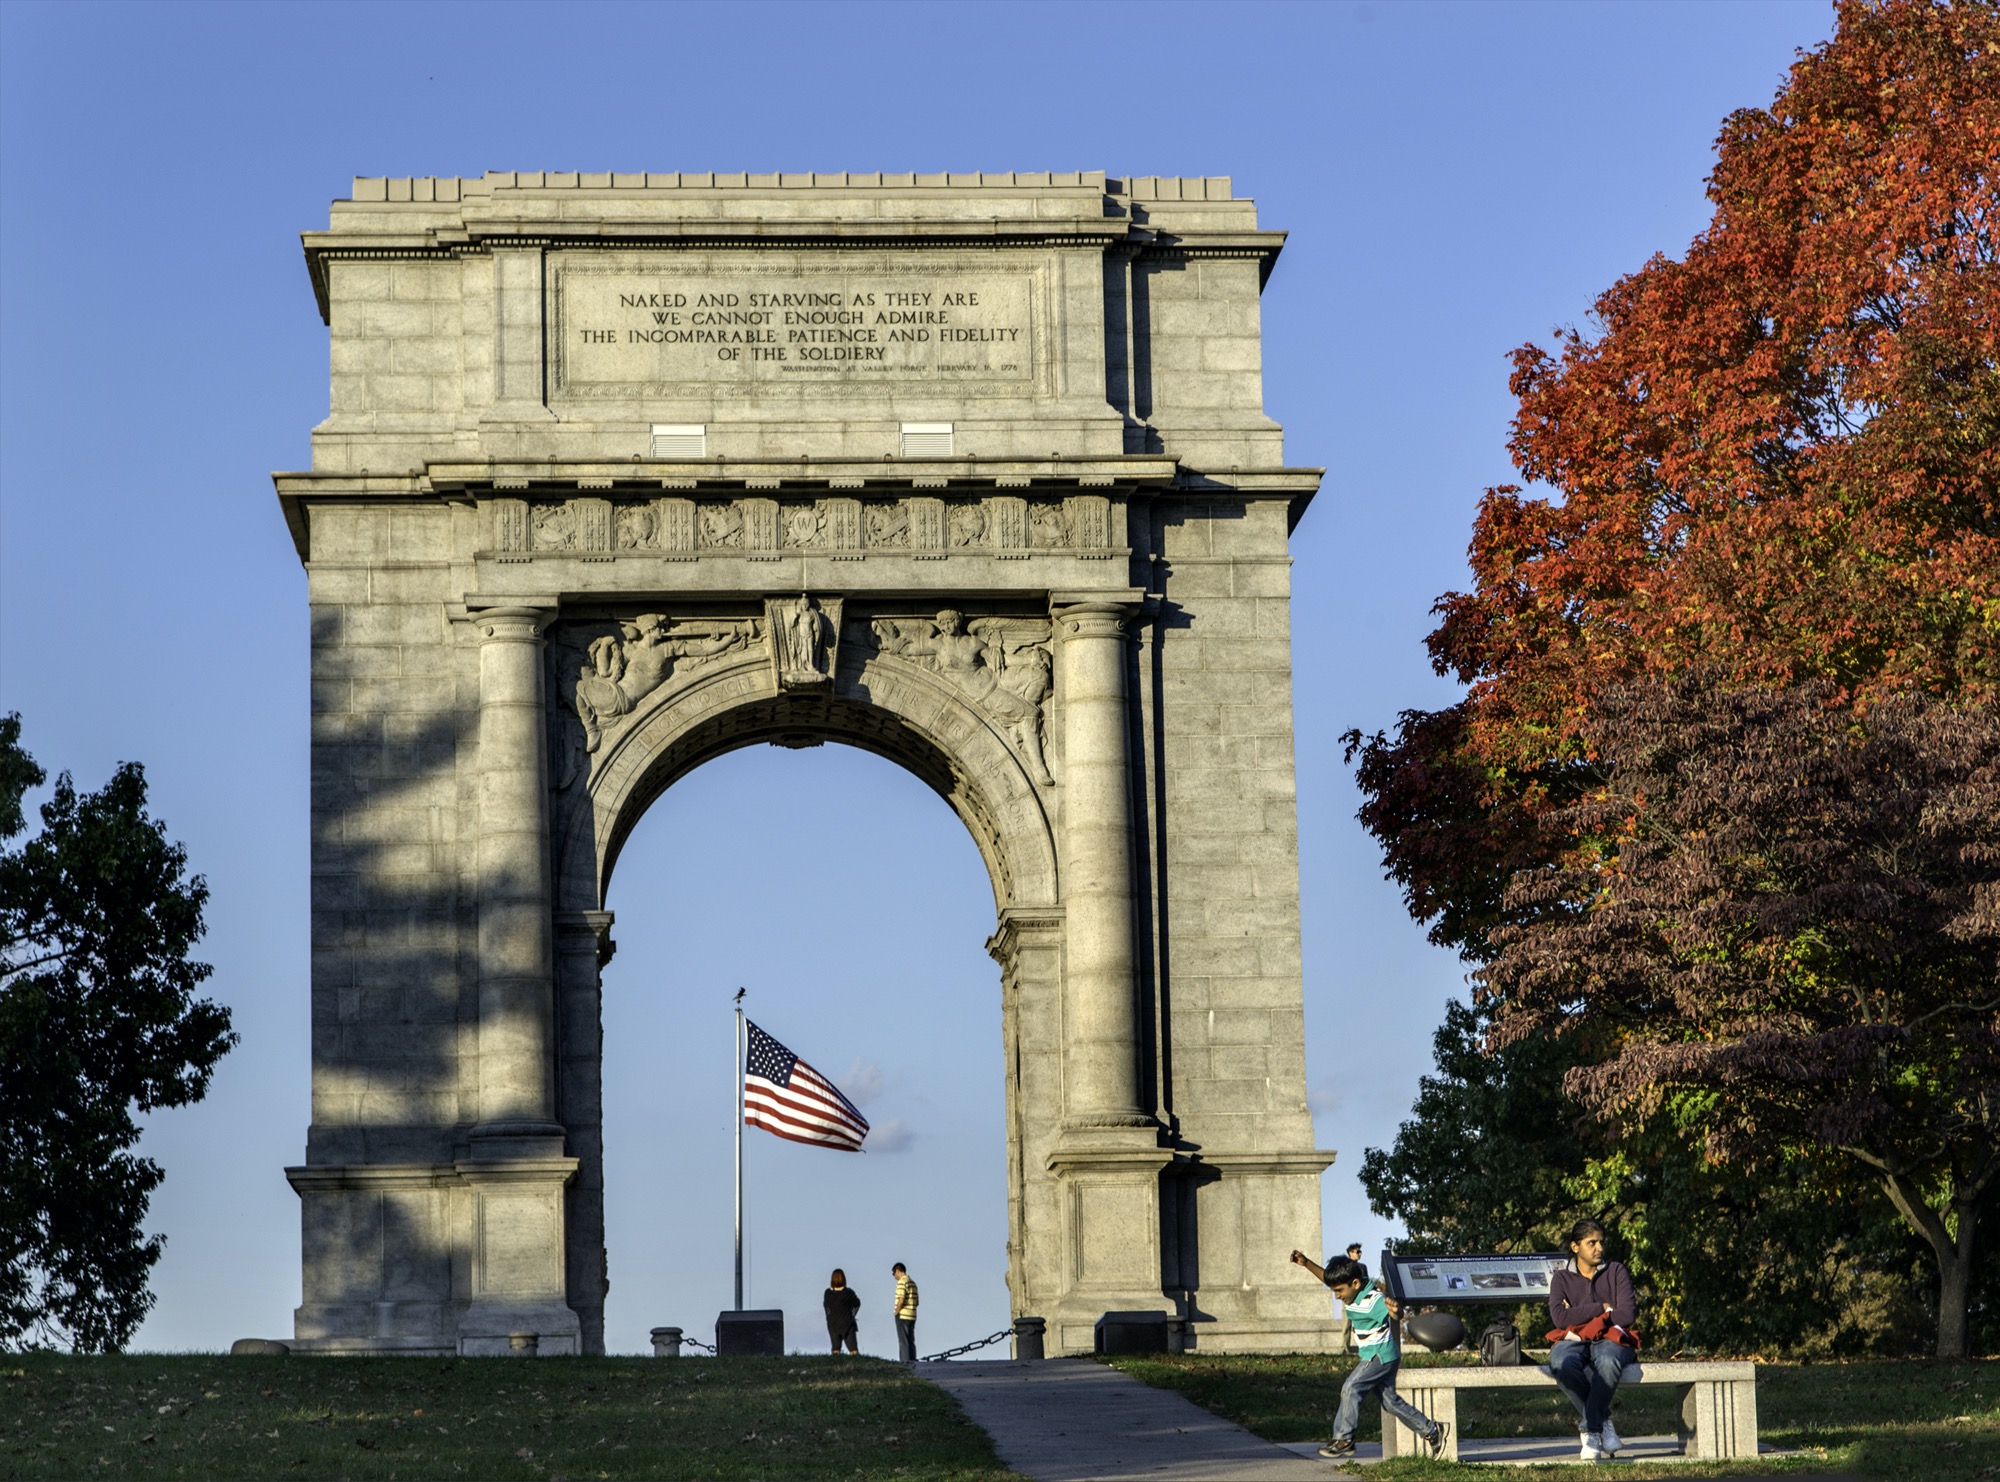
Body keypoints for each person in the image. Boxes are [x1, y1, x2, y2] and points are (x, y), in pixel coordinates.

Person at [1290, 1249, 1449, 1461]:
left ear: (1355, 1284)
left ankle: (1344, 1439)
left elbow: (1395, 1312)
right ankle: (1432, 1430)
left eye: (1339, 1291)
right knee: (1390, 1402)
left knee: (1351, 1387)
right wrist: (1306, 1262)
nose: (1337, 1296)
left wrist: (1395, 1311)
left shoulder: (1374, 1300)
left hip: (1379, 1354)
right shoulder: (1354, 1288)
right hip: (1386, 1355)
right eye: (1334, 1291)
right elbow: (1328, 1277)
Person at [1546, 1218, 1640, 1460]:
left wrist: (1580, 1317)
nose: (1599, 1248)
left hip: (1612, 1339)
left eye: (1601, 1242)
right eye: (1592, 1243)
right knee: (1560, 1362)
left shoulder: (1616, 1271)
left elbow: (1627, 1314)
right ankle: (1603, 1421)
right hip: (1573, 1341)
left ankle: (1590, 1430)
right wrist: (1602, 1309)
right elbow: (1559, 1318)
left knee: (1607, 1361)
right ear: (1575, 1246)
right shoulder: (1561, 1279)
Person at [823, 1268, 860, 1356]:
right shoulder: (849, 1293)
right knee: (853, 1350)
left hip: (833, 1324)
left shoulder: (828, 1293)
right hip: (848, 1324)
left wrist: (829, 1317)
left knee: (835, 1349)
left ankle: (835, 1368)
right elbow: (857, 1304)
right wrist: (852, 1315)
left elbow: (826, 1307)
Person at [892, 1262, 918, 1363]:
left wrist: (896, 1311)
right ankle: (913, 1361)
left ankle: (905, 1363)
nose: (894, 1276)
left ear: (898, 1271)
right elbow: (917, 1301)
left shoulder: (901, 1283)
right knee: (911, 1340)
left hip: (903, 1315)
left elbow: (901, 1299)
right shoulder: (912, 1283)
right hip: (912, 1314)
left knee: (903, 1341)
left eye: (894, 1273)